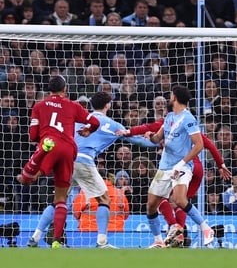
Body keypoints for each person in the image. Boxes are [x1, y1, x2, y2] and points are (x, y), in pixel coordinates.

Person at [25, 91, 157, 248]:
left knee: (58, 201)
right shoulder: (112, 125)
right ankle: (102, 241)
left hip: (65, 159)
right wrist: (157, 142)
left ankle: (34, 238)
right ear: (108, 105)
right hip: (84, 161)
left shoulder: (78, 120)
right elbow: (138, 141)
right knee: (104, 199)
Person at [117, 105, 232, 247]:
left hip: (181, 166)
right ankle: (179, 235)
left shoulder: (168, 122)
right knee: (181, 201)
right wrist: (221, 164)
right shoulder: (188, 126)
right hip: (197, 168)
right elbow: (209, 144)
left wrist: (127, 132)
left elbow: (145, 127)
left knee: (162, 199)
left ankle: (175, 228)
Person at [16, 75, 101, 248]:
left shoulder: (39, 106)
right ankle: (56, 240)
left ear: (49, 89)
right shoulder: (72, 105)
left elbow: (32, 136)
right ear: (65, 89)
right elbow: (95, 121)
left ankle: (33, 172)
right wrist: (88, 131)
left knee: (27, 179)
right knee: (61, 198)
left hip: (50, 145)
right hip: (69, 149)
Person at [143, 85, 214, 248]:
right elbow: (158, 139)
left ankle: (206, 229)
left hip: (182, 167)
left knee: (180, 199)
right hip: (164, 167)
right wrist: (150, 137)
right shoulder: (169, 117)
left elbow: (199, 145)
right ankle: (158, 241)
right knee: (151, 205)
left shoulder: (188, 119)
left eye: (170, 95)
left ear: (174, 97)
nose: (169, 98)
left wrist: (181, 164)